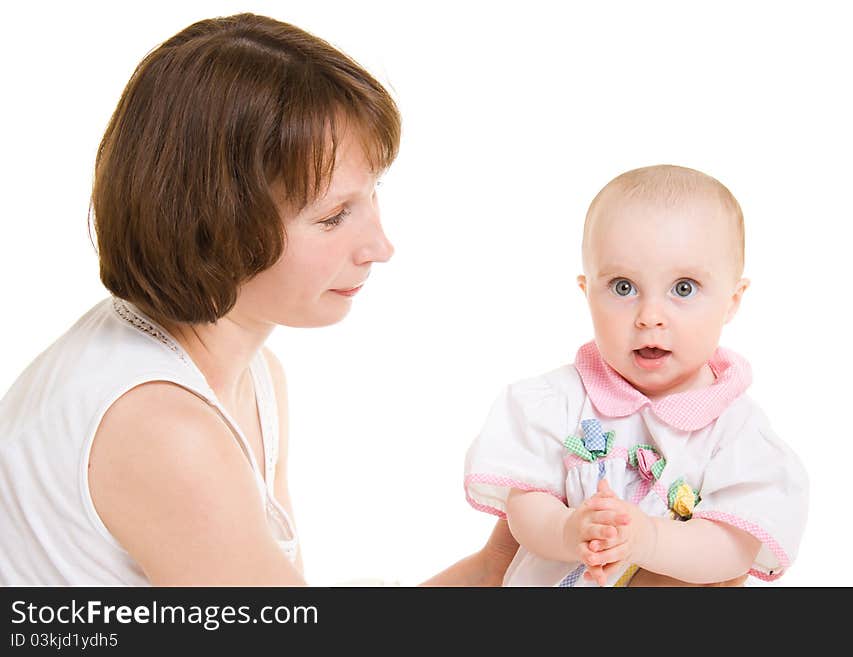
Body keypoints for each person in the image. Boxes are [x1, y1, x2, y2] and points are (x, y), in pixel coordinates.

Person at [0, 12, 520, 586]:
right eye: (333, 216)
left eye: (373, 195)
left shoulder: (249, 374)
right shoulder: (162, 427)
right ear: (214, 224)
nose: (380, 245)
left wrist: (495, 569)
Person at [464, 164, 809, 587]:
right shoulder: (561, 400)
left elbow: (734, 548)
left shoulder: (736, 432)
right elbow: (524, 505)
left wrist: (650, 540)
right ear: (586, 292)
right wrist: (568, 530)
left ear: (732, 301)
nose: (649, 317)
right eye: (623, 287)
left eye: (684, 288)